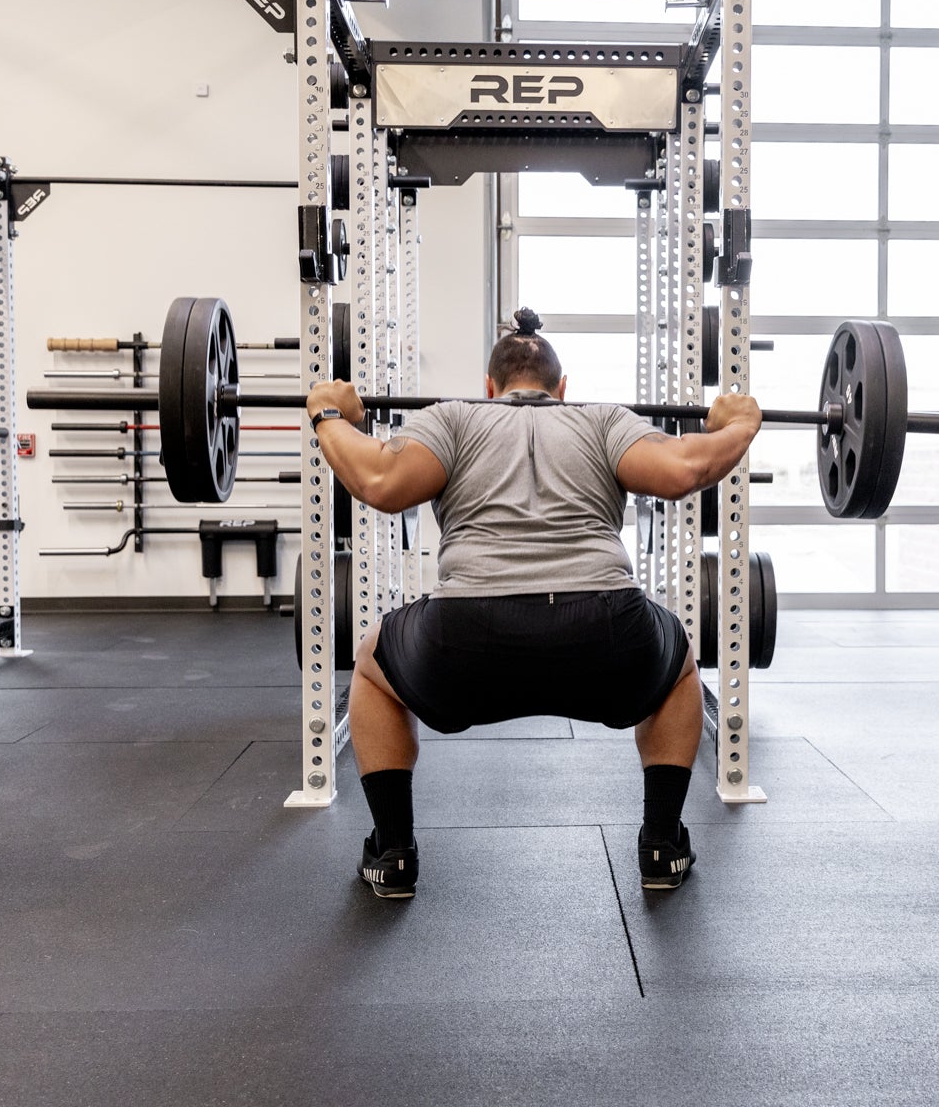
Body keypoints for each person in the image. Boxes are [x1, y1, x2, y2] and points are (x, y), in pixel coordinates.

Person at [305, 308, 762, 899]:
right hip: (605, 632)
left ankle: (392, 851)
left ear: (490, 388)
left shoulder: (456, 417)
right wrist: (738, 425)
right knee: (677, 664)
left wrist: (329, 411)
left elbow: (379, 483)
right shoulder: (599, 420)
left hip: (466, 639)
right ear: (561, 389)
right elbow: (684, 469)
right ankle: (662, 845)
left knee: (372, 665)